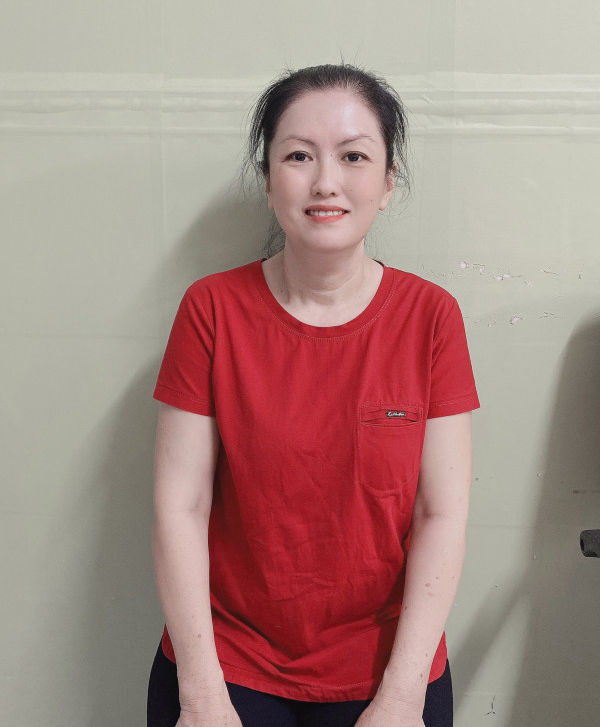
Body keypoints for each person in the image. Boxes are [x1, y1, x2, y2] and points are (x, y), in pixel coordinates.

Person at [147, 64, 479, 727]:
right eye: (298, 156)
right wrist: (202, 694)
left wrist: (402, 696)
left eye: (354, 156)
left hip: (387, 667)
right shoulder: (211, 309)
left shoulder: (431, 316)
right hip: (227, 662)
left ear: (388, 182)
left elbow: (440, 513)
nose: (326, 182)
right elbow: (180, 506)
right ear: (269, 181)